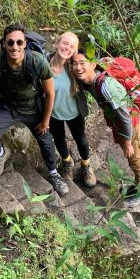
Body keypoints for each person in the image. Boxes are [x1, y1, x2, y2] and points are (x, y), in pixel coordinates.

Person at [0, 23, 69, 196]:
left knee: (47, 142)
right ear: (4, 44)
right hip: (8, 107)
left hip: (34, 107)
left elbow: (49, 94)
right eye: (10, 43)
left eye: (19, 42)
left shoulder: (37, 61)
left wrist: (45, 122)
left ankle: (53, 173)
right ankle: (2, 153)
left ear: (25, 43)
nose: (15, 47)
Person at [71, 49, 140, 206]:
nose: (78, 67)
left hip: (131, 126)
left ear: (93, 64)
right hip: (121, 126)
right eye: (74, 63)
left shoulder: (106, 86)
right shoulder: (89, 81)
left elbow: (125, 115)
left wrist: (127, 141)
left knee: (135, 161)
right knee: (136, 160)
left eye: (82, 63)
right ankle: (139, 184)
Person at [48, 32, 96, 187]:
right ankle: (67, 161)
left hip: (74, 112)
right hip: (53, 114)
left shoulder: (74, 68)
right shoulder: (43, 64)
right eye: (65, 43)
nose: (67, 48)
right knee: (59, 138)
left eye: (71, 46)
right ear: (57, 42)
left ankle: (86, 165)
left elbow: (91, 75)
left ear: (74, 52)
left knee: (81, 139)